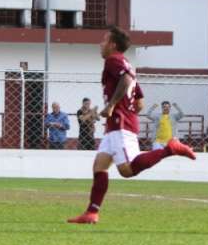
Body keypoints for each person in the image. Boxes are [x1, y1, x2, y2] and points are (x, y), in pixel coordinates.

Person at [67, 26, 196, 224]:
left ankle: (170, 149)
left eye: (104, 40)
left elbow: (126, 80)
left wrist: (112, 106)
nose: (100, 44)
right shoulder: (126, 64)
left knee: (127, 170)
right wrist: (125, 111)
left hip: (120, 123)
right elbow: (140, 102)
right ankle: (92, 212)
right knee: (100, 165)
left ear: (112, 45)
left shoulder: (114, 60)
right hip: (117, 124)